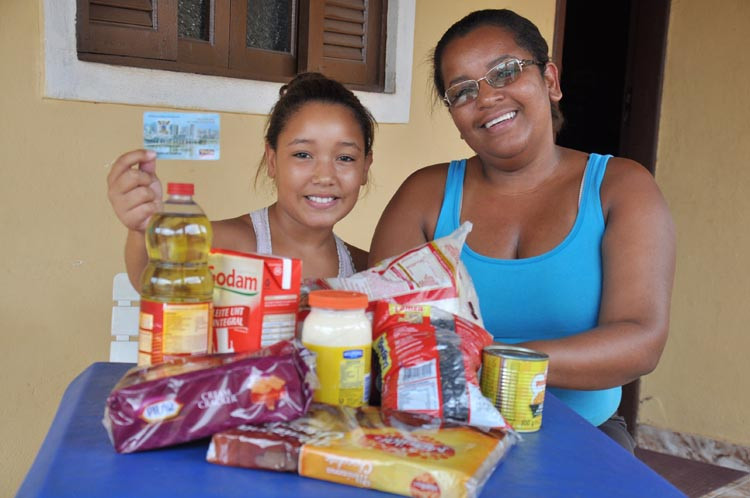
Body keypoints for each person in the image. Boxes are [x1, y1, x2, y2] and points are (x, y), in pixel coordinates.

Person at [368, 9, 675, 451]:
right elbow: (388, 330)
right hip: (443, 434)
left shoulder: (620, 188)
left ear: (550, 80)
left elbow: (641, 341)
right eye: (463, 91)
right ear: (454, 116)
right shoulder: (425, 195)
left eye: (505, 72)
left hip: (584, 440)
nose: (488, 97)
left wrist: (491, 358)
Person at [108, 72, 375, 286]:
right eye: (303, 154)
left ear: (365, 167)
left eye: (346, 158)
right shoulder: (227, 244)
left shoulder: (365, 270)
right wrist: (142, 229)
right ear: (272, 160)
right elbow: (150, 276)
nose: (325, 176)